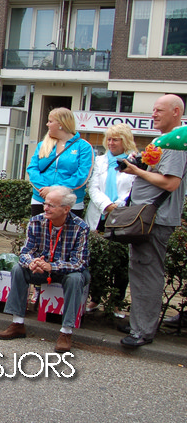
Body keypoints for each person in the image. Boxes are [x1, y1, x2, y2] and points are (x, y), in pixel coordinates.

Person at [119, 95, 187, 348]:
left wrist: (136, 170)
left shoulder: (176, 143)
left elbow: (171, 183)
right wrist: (137, 164)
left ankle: (142, 331)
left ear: (176, 112)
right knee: (140, 270)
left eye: (159, 110)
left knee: (147, 273)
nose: (153, 114)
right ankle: (139, 323)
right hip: (147, 218)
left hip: (155, 219)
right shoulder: (165, 141)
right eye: (153, 110)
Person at [0, 186, 90, 354]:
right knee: (18, 268)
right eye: (45, 204)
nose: (45, 208)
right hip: (41, 269)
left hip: (66, 272)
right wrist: (31, 262)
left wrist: (52, 266)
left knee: (76, 278)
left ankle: (66, 332)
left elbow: (80, 262)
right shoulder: (36, 221)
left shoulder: (80, 227)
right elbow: (25, 252)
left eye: (51, 205)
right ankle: (17, 323)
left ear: (66, 209)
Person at [84, 123, 137, 314]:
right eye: (109, 139)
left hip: (122, 216)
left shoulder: (134, 161)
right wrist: (106, 205)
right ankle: (95, 298)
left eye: (116, 140)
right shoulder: (99, 161)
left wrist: (118, 206)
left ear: (125, 141)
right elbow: (93, 187)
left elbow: (134, 189)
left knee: (120, 261)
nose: (111, 143)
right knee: (96, 258)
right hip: (100, 213)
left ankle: (116, 302)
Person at [26, 107, 94, 217]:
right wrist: (45, 190)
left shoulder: (84, 147)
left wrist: (54, 190)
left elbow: (82, 175)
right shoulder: (42, 145)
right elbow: (32, 169)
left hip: (70, 202)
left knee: (66, 229)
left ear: (61, 124)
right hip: (41, 199)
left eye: (50, 121)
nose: (47, 124)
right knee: (39, 228)